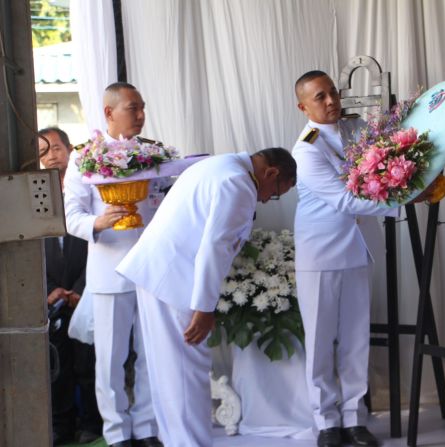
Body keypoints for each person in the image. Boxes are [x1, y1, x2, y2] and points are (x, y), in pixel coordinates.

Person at [115, 148, 296, 447]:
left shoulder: (219, 165)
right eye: (275, 193)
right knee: (186, 375)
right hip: (176, 281)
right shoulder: (238, 183)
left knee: (168, 374)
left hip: (158, 274)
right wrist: (204, 308)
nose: (266, 200)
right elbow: (215, 248)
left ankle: (177, 442)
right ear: (271, 173)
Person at [292, 70, 400, 447]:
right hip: (320, 253)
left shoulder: (357, 130)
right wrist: (402, 202)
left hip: (357, 246)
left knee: (356, 339)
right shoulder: (306, 148)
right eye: (320, 97)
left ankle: (355, 418)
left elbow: (383, 166)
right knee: (320, 342)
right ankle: (326, 422)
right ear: (303, 107)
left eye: (333, 93)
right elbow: (343, 199)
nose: (331, 101)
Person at [63, 82, 162, 447]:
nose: (141, 115)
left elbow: (161, 201)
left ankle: (147, 426)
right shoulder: (83, 156)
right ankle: (117, 432)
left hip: (151, 267)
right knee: (110, 359)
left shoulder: (153, 152)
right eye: (133, 108)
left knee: (151, 354)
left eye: (142, 107)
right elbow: (70, 215)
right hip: (110, 268)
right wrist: (98, 222)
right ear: (109, 112)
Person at [40, 127, 102, 445]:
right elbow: (30, 251)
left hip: (87, 288)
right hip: (52, 295)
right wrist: (49, 289)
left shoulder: (90, 187)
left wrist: (81, 288)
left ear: (68, 149)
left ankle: (92, 423)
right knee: (58, 365)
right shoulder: (36, 196)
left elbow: (100, 241)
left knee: (88, 361)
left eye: (56, 147)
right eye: (43, 151)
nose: (51, 155)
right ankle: (61, 426)